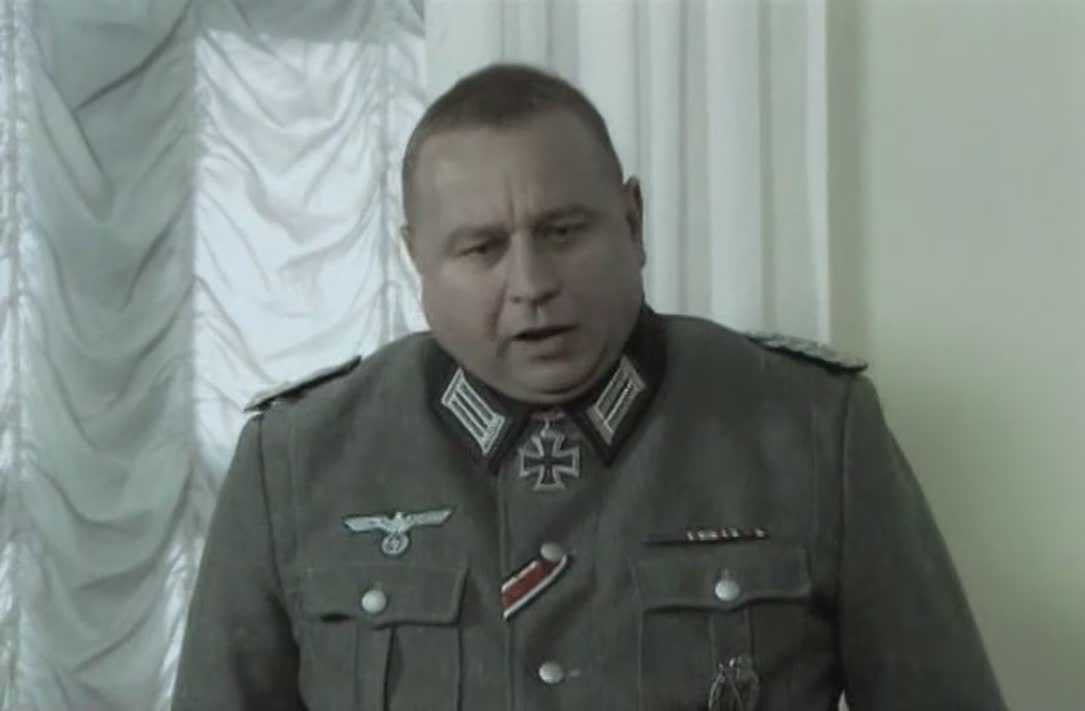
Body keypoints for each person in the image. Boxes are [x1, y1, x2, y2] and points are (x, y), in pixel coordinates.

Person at [172, 62, 1006, 711]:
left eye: (564, 231)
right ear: (416, 260)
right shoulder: (297, 460)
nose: (532, 283)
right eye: (482, 249)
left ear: (632, 223)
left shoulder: (811, 427)